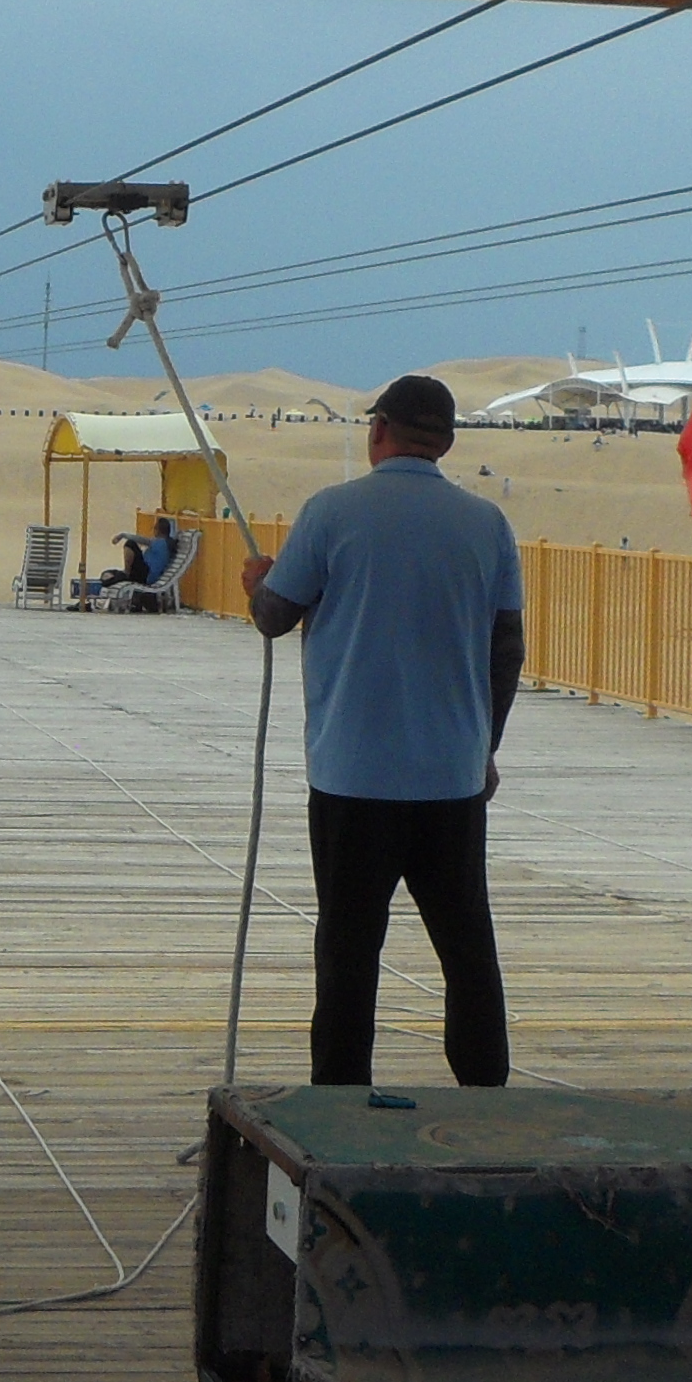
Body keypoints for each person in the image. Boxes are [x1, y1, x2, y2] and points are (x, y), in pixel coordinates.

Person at [243, 372, 526, 1088]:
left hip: (352, 775)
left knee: (348, 949)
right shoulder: (488, 524)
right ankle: (485, 1092)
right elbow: (507, 649)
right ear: (447, 443)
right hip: (451, 777)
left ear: (378, 431)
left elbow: (275, 616)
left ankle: (341, 1099)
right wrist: (484, 746)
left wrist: (256, 583)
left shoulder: (331, 511)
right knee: (466, 948)